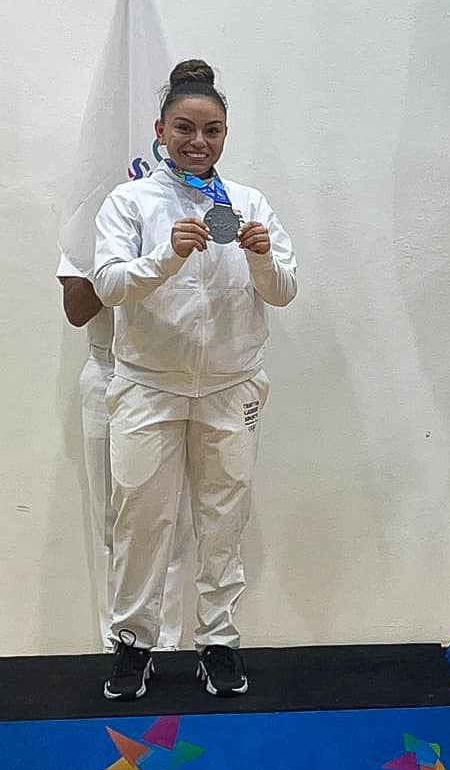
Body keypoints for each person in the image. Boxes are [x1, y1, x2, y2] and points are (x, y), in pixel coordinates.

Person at [93, 59, 297, 700]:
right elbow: (108, 284)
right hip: (148, 386)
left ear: (226, 134)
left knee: (223, 517)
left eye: (211, 130)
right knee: (140, 520)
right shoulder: (130, 202)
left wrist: (261, 258)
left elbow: (284, 291)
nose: (197, 141)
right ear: (161, 130)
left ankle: (218, 641)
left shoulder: (250, 204)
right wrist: (167, 255)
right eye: (184, 128)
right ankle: (133, 644)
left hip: (230, 387)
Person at [57, 253, 194, 651]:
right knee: (110, 521)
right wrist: (124, 259)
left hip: (171, 378)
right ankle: (117, 648)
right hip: (108, 370)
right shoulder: (89, 225)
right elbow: (77, 309)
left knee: (173, 520)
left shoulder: (179, 219)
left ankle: (165, 647)